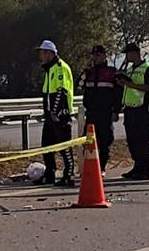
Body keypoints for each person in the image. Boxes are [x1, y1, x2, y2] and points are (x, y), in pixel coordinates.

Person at [36, 40, 76, 187]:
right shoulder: (49, 70)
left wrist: (55, 111)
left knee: (64, 146)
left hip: (60, 114)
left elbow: (61, 91)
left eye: (43, 52)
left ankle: (69, 175)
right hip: (50, 115)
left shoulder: (60, 68)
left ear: (50, 53)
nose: (41, 56)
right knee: (47, 146)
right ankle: (50, 174)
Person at [78, 45, 122, 175]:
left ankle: (101, 167)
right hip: (91, 112)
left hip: (105, 112)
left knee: (104, 140)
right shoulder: (89, 72)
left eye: (98, 55)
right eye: (93, 55)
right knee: (87, 140)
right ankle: (89, 166)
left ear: (104, 56)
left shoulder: (112, 71)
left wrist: (116, 110)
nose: (95, 57)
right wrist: (85, 71)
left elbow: (119, 93)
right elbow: (79, 86)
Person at [115, 43, 149, 180]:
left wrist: (130, 84)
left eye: (128, 53)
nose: (127, 56)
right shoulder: (131, 69)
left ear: (136, 53)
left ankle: (144, 170)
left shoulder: (148, 68)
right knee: (132, 141)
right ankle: (137, 168)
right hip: (130, 109)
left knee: (142, 141)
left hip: (142, 110)